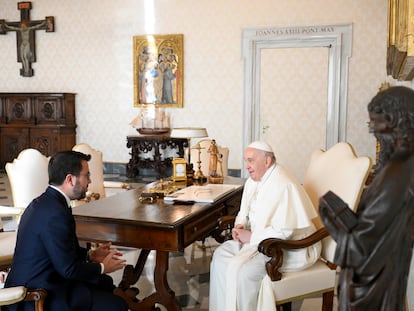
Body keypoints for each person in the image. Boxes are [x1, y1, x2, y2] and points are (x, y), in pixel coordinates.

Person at [319, 86, 414, 310]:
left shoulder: (397, 175)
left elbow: (361, 247)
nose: (372, 130)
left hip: (374, 288)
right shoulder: (396, 168)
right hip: (380, 279)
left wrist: (334, 218)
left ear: (396, 121)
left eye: (376, 122)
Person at [5, 151, 129, 311]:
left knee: (104, 283)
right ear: (70, 179)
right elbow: (69, 270)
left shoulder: (47, 202)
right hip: (38, 294)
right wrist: (103, 267)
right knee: (117, 306)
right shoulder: (55, 213)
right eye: (87, 175)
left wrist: (90, 255)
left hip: (47, 280)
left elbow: (59, 249)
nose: (90, 181)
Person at [209, 141, 321, 311]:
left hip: (288, 248)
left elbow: (286, 231)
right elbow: (243, 210)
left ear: (267, 161)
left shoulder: (284, 184)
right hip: (258, 241)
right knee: (219, 257)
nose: (247, 166)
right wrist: (239, 225)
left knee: (245, 273)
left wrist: (252, 237)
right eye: (246, 160)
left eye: (251, 160)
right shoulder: (254, 179)